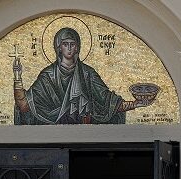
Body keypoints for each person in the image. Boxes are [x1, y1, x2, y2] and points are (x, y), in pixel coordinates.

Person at [13, 27, 153, 125]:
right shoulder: (48, 76)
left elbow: (108, 102)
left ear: (77, 47)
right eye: (65, 44)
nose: (69, 48)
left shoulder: (87, 74)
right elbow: (25, 105)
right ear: (58, 47)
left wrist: (137, 103)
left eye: (72, 44)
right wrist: (17, 77)